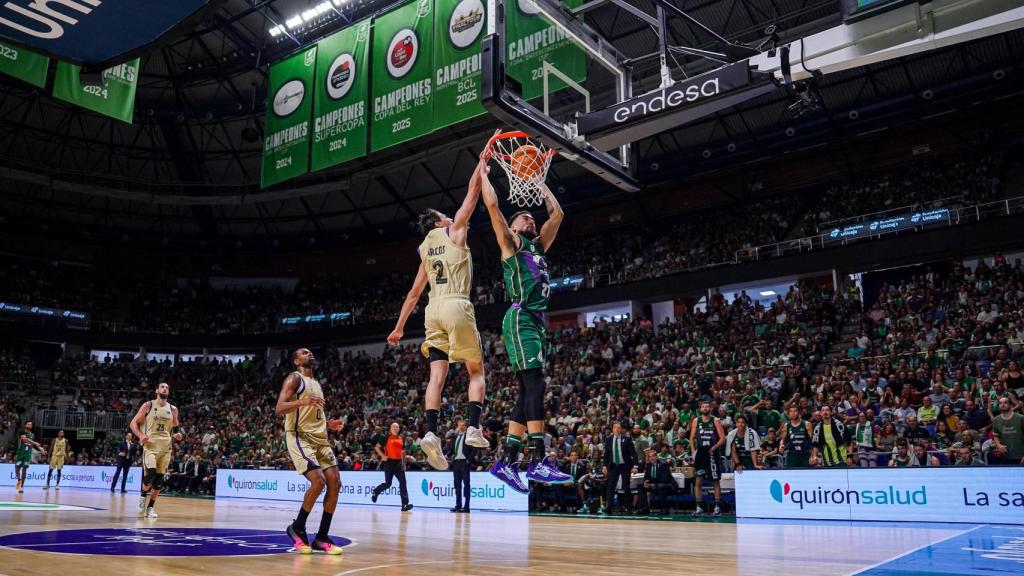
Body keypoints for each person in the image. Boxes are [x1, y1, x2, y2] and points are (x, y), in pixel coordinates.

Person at [387, 154, 491, 470]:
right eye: (445, 214)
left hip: (432, 311)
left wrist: (399, 327)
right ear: (438, 222)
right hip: (457, 304)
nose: (451, 215)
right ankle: (474, 426)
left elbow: (414, 293)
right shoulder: (453, 231)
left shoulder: (425, 250)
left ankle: (431, 432)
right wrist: (481, 165)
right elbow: (472, 195)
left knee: (437, 376)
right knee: (476, 371)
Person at [479, 140, 572, 491]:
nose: (528, 217)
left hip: (535, 321)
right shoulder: (512, 244)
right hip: (520, 318)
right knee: (536, 385)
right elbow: (492, 206)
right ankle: (537, 460)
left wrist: (539, 181)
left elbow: (558, 215)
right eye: (523, 217)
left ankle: (507, 462)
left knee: (526, 391)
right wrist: (483, 170)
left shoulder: (539, 244)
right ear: (514, 228)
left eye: (530, 215)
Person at [275, 348, 345, 555]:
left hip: (320, 438)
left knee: (335, 483)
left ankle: (321, 537)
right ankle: (297, 527)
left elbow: (314, 413)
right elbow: (279, 408)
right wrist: (301, 401)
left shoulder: (317, 384)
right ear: (297, 361)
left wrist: (328, 424)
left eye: (311, 352)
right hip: (300, 436)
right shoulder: (294, 379)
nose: (310, 354)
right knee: (319, 481)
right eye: (305, 353)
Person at [129, 383, 182, 519]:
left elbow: (175, 427)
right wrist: (141, 436)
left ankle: (150, 508)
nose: (165, 388)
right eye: (162, 387)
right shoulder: (148, 405)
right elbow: (133, 423)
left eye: (167, 387)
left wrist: (177, 435)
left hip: (166, 448)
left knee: (158, 482)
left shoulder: (173, 409)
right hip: (151, 446)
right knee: (150, 473)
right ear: (157, 390)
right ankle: (142, 496)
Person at [689, 401, 726, 517]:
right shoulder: (696, 420)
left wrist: (714, 447)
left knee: (715, 481)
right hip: (700, 453)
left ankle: (717, 508)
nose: (705, 408)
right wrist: (693, 451)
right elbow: (691, 438)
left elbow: (723, 438)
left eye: (707, 406)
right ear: (700, 409)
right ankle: (699, 507)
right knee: (698, 481)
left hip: (712, 452)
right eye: (703, 407)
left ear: (710, 408)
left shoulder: (715, 420)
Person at [371, 422, 413, 511]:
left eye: (397, 427)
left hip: (399, 463)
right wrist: (382, 456)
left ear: (399, 429)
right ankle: (376, 491)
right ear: (390, 429)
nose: (395, 428)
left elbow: (403, 452)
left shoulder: (402, 438)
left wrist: (404, 463)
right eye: (393, 427)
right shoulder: (385, 437)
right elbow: (377, 447)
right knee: (388, 484)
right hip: (389, 462)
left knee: (403, 482)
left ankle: (405, 505)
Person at [603, 421, 636, 514]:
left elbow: (633, 454)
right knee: (610, 487)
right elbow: (607, 454)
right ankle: (609, 507)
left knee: (626, 487)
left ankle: (629, 508)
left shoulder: (627, 439)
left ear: (621, 429)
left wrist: (635, 466)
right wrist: (605, 466)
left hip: (625, 466)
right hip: (613, 466)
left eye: (618, 427)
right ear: (612, 429)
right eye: (615, 427)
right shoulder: (608, 439)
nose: (617, 429)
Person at [448, 417, 477, 513]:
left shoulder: (469, 436)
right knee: (457, 485)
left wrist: (469, 460)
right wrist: (446, 455)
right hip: (456, 462)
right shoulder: (455, 437)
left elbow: (474, 449)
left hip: (465, 462)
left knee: (466, 485)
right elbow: (452, 450)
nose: (461, 427)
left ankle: (466, 506)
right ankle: (458, 505)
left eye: (463, 425)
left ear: (466, 427)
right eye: (459, 425)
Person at [14, 420, 45, 494]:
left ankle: (22, 487)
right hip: (20, 453)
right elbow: (24, 439)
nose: (29, 425)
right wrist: (35, 443)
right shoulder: (22, 432)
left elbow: (31, 444)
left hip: (27, 455)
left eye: (30, 424)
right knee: (17, 469)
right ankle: (19, 480)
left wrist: (40, 448)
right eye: (28, 424)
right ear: (25, 425)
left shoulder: (32, 435)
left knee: (24, 470)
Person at [991, 396, 1024, 464]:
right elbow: (995, 436)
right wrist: (999, 445)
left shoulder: (1021, 418)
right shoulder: (995, 420)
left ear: (1010, 405)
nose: (1002, 404)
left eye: (1005, 402)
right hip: (1005, 455)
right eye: (1000, 403)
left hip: (1020, 455)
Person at [640, 450, 674, 515]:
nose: (651, 458)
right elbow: (646, 477)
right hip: (654, 485)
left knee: (661, 486)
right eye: (650, 457)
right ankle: (645, 508)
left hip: (667, 486)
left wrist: (653, 484)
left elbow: (665, 479)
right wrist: (645, 482)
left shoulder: (663, 464)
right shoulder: (648, 465)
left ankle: (664, 509)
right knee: (641, 486)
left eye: (653, 456)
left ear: (656, 457)